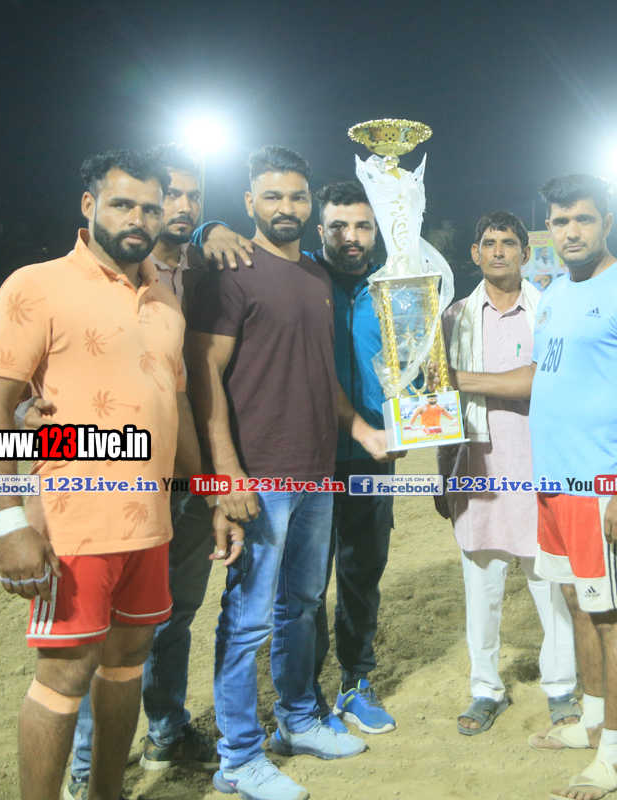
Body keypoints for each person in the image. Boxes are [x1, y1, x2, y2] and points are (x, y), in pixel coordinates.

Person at [0, 150, 241, 800]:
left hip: (150, 524)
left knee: (125, 666)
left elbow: (175, 406)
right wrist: (8, 524)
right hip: (72, 525)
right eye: (123, 204)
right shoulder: (36, 285)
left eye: (151, 207)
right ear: (89, 206)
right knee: (64, 677)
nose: (139, 218)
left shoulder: (166, 302)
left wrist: (212, 492)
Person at [453, 175, 617, 799]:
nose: (571, 232)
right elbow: (542, 375)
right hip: (550, 484)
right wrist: (455, 379)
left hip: (599, 484)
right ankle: (592, 722)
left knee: (613, 614)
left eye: (583, 219)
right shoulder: (551, 296)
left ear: (606, 222)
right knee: (576, 603)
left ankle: (615, 754)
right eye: (560, 221)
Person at [185, 147, 391, 800]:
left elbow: (321, 375)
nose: (286, 207)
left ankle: (297, 721)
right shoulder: (229, 271)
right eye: (272, 196)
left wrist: (360, 430)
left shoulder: (312, 275)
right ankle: (238, 757)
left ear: (310, 204)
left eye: (296, 196)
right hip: (260, 476)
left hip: (317, 473)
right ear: (250, 201)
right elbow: (204, 374)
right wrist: (227, 474)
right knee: (246, 620)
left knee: (301, 606)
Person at [52, 143, 219, 799]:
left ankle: (166, 730)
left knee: (170, 619)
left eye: (191, 197)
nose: (178, 207)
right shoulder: (86, 279)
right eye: (165, 196)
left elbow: (182, 393)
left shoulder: (203, 268)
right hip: (105, 490)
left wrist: (210, 485)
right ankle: (87, 766)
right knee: (91, 645)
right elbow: (6, 405)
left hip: (184, 476)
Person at [434, 211, 579, 736]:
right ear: (475, 253)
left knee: (550, 588)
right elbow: (439, 406)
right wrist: (444, 473)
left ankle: (561, 688)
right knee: (482, 593)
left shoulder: (551, 310)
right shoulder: (452, 317)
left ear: (526, 253)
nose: (498, 251)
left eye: (509, 243)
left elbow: (542, 382)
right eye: (489, 243)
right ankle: (485, 690)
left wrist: (460, 379)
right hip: (477, 474)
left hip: (541, 473)